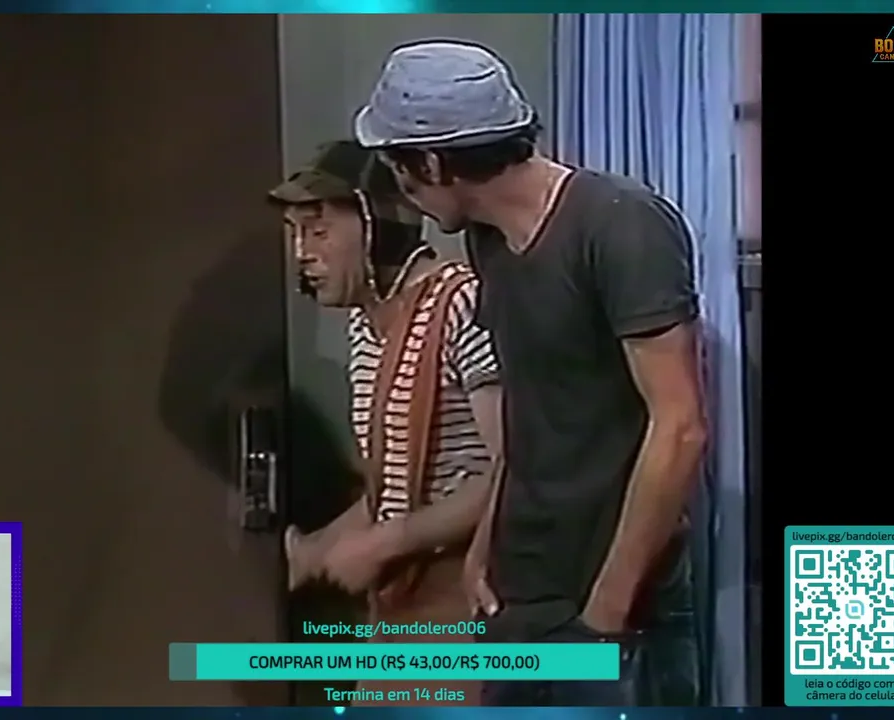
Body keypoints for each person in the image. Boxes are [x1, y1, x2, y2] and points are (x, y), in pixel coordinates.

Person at [354, 41, 708, 707]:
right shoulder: (486, 239)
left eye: (401, 173)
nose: (406, 196)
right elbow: (526, 408)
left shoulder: (620, 224)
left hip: (613, 599)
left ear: (432, 163)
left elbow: (680, 426)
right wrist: (485, 547)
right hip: (519, 592)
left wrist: (605, 616)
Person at [270, 140, 503, 707]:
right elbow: (398, 484)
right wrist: (320, 549)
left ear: (376, 223)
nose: (303, 253)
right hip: (400, 603)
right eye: (295, 234)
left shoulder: (462, 304)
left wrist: (385, 543)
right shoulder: (366, 326)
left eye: (319, 231)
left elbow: (515, 469)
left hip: (472, 597)